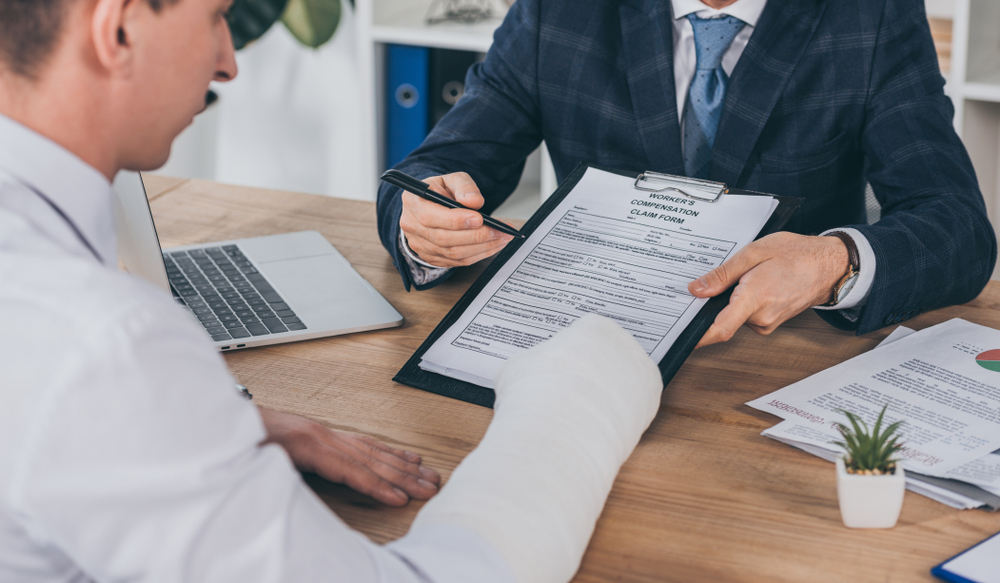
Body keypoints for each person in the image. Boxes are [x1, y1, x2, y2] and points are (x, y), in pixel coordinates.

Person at [0, 0, 663, 581]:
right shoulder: (106, 347)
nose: (229, 61)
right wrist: (582, 392)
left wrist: (206, 429)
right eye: (216, 16)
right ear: (116, 31)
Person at [377, 0, 997, 347]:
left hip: (777, 355)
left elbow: (959, 229)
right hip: (585, 339)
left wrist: (835, 261)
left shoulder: (872, 15)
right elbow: (431, 168)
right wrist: (424, 222)